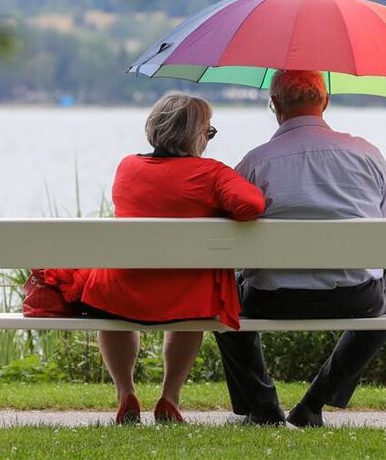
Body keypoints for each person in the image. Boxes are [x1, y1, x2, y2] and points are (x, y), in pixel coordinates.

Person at [55, 92, 264, 425]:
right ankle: (169, 396)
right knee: (189, 297)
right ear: (196, 135)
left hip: (120, 292)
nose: (208, 140)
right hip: (184, 297)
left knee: (112, 293)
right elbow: (251, 205)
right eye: (208, 132)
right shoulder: (211, 174)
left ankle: (126, 393)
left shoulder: (128, 167)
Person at [214, 69, 386, 428]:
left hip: (271, 298)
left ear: (274, 105)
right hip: (354, 296)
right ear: (326, 101)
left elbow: (223, 232)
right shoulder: (367, 154)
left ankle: (262, 407)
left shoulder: (256, 161)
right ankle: (313, 404)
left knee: (222, 299)